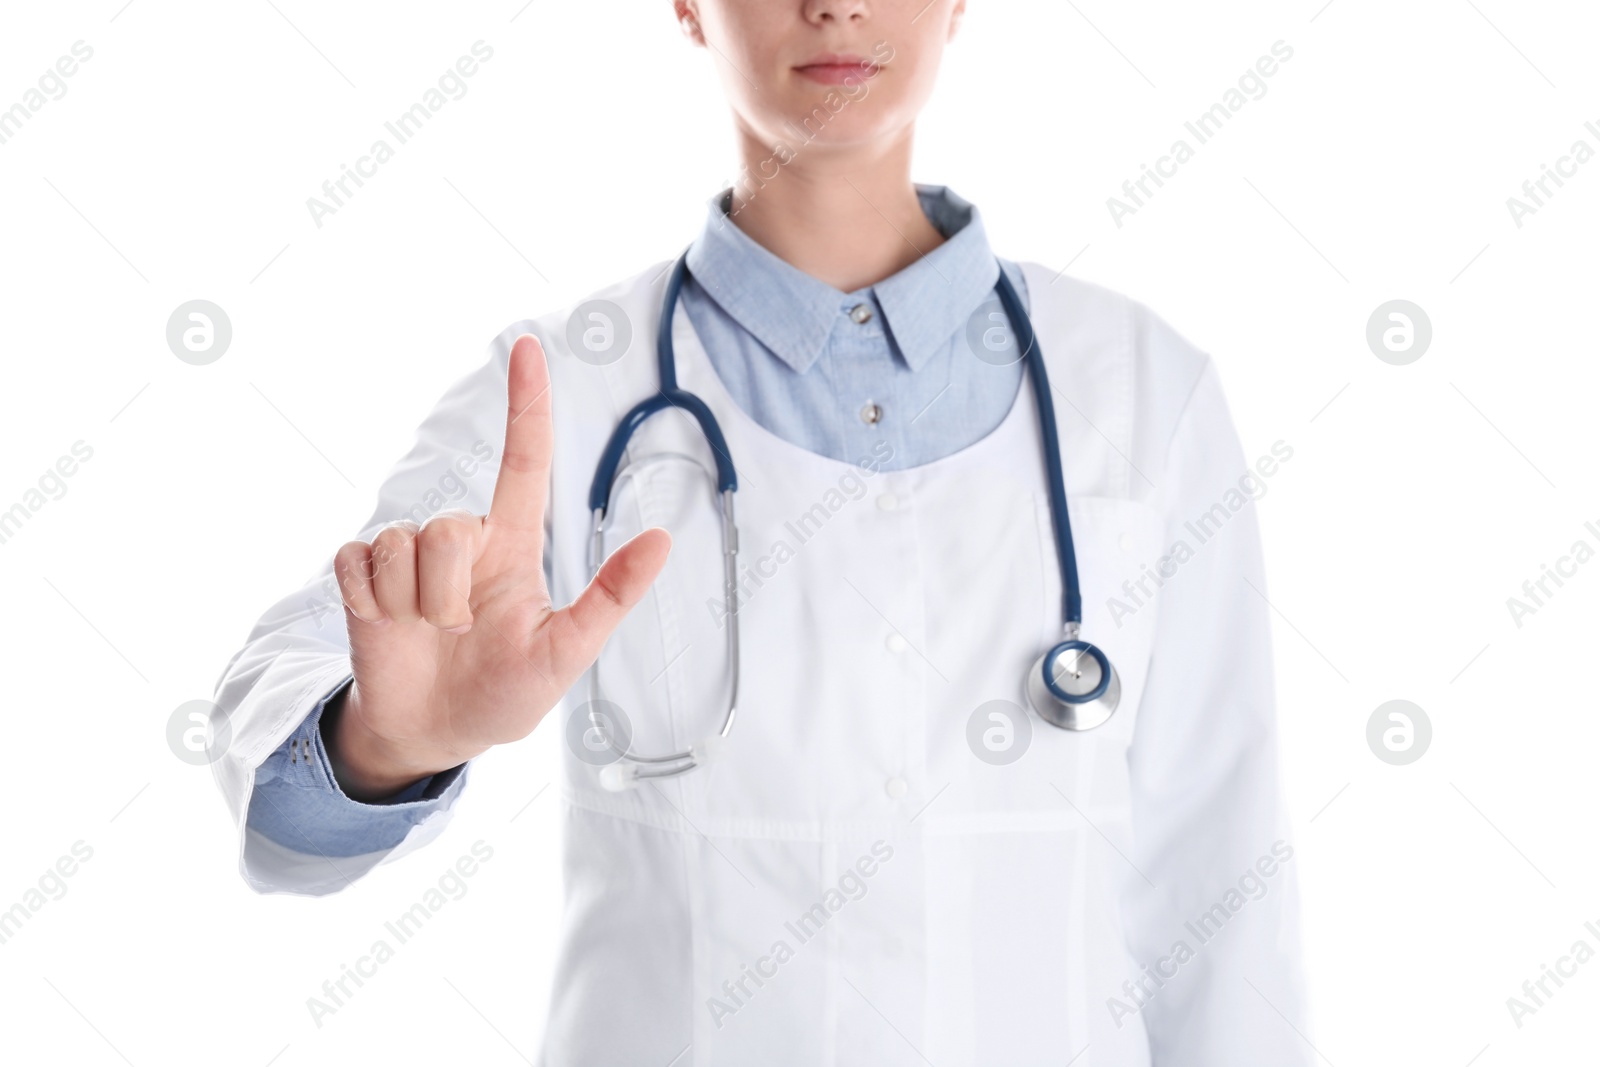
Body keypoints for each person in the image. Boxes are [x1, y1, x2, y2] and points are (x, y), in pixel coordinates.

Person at [211, 0, 1309, 1061]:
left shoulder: (1141, 388)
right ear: (686, 4)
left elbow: (1219, 887)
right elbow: (282, 787)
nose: (832, 5)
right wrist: (387, 743)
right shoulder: (560, 389)